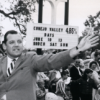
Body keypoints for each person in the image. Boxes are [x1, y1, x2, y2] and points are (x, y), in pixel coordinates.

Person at [0, 30, 99, 100]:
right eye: (12, 42)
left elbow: (52, 60)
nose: (17, 44)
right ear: (4, 46)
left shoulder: (30, 59)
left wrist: (77, 49)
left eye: (19, 41)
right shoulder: (1, 62)